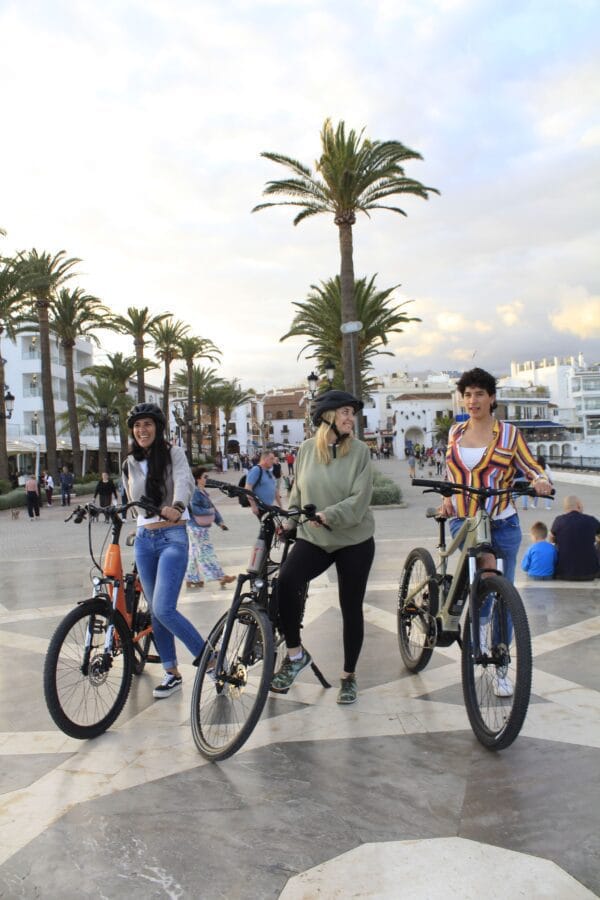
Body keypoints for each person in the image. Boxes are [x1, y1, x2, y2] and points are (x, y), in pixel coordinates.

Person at [441, 368, 553, 697]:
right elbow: (449, 470)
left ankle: (500, 664)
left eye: (479, 394)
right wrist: (447, 497)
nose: (472, 400)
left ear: (491, 398)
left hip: (503, 522)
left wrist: (539, 480)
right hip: (466, 520)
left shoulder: (509, 435)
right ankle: (479, 639)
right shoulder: (455, 433)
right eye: (468, 394)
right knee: (487, 574)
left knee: (505, 596)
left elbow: (531, 466)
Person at [270, 390, 375, 706]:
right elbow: (298, 493)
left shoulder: (360, 452)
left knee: (350, 606)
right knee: (286, 581)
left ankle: (349, 675)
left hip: (354, 540)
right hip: (314, 537)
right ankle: (295, 654)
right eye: (344, 412)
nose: (350, 418)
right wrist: (288, 523)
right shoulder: (305, 450)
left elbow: (359, 500)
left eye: (352, 413)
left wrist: (329, 514)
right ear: (326, 416)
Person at [123, 402, 206, 699]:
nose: (142, 430)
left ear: (157, 427)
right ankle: (171, 672)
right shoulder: (129, 462)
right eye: (137, 425)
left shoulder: (173, 453)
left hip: (173, 537)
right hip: (145, 541)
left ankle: (207, 655)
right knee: (156, 612)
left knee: (163, 607)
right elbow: (131, 499)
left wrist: (178, 506)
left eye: (147, 424)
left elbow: (184, 481)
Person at [186, 466, 236, 590]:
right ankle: (220, 577)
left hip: (198, 527)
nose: (207, 479)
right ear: (198, 479)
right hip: (196, 528)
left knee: (194, 554)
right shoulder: (195, 492)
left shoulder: (202, 492)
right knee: (206, 553)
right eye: (205, 477)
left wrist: (220, 522)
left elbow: (213, 508)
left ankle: (192, 578)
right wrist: (210, 510)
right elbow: (195, 509)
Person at [550, 496, 600, 581]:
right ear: (579, 505)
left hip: (563, 574)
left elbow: (551, 539)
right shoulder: (591, 520)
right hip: (590, 573)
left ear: (565, 508)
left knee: (554, 543)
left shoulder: (559, 520)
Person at [246, 450, 281, 516]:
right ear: (264, 459)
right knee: (269, 526)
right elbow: (248, 489)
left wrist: (281, 507)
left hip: (268, 507)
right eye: (271, 459)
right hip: (260, 508)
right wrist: (253, 506)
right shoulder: (256, 470)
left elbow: (275, 490)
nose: (273, 461)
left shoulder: (268, 471)